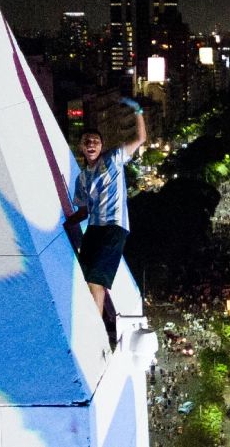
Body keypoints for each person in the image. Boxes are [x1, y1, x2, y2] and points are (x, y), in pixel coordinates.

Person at [65, 97, 146, 315]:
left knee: (95, 278)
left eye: (95, 141)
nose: (91, 144)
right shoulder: (81, 179)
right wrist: (66, 224)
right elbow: (83, 211)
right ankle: (92, 320)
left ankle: (96, 329)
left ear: (101, 146)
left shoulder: (113, 159)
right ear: (81, 147)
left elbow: (140, 138)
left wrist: (138, 111)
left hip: (114, 226)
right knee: (86, 277)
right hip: (94, 228)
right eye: (87, 141)